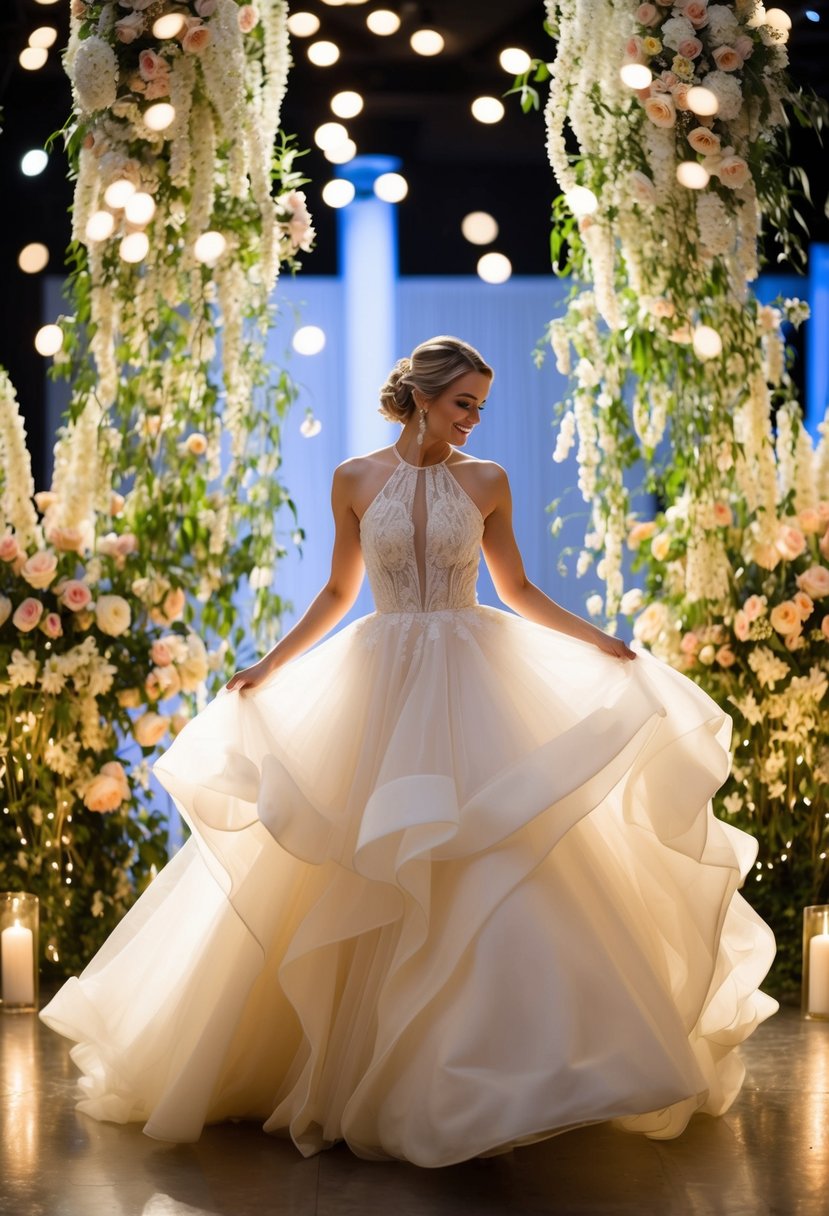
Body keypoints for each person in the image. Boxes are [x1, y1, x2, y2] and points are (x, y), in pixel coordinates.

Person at [41, 336, 777, 1168]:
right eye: (462, 402)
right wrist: (270, 664)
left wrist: (604, 641)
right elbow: (337, 590)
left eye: (480, 407)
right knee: (360, 862)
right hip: (379, 679)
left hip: (473, 678)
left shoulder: (487, 481)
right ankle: (339, 1069)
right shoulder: (354, 478)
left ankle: (491, 1076)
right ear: (422, 397)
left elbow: (518, 588)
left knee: (488, 857)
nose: (472, 419)